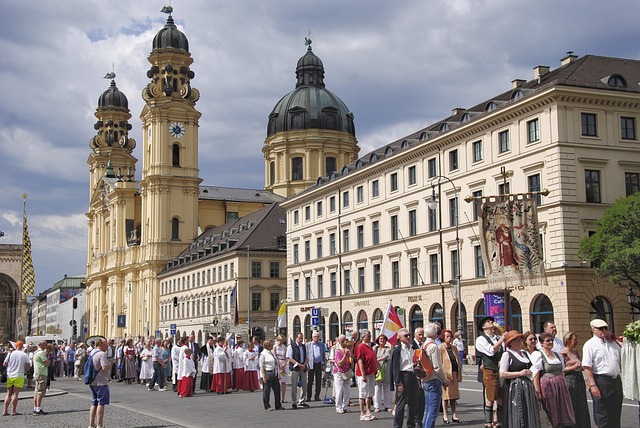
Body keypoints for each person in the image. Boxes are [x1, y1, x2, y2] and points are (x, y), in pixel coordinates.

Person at [582, 318, 623, 428]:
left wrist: (614, 339)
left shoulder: (612, 343)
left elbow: (623, 351)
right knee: (602, 413)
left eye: (605, 328)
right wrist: (593, 385)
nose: (603, 331)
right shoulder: (590, 345)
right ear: (593, 330)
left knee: (615, 412)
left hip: (615, 379)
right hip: (601, 380)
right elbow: (587, 366)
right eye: (600, 328)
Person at [531, 332, 575, 428]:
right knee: (551, 409)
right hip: (548, 385)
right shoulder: (538, 355)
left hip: (560, 385)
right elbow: (536, 374)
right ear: (542, 343)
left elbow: (562, 371)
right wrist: (538, 391)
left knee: (562, 410)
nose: (550, 342)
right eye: (548, 340)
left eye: (552, 340)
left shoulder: (557, 355)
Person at [499, 330, 541, 428]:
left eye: (520, 339)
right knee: (517, 411)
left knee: (528, 410)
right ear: (510, 342)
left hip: (527, 386)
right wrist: (520, 373)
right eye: (516, 340)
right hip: (514, 387)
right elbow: (502, 373)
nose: (519, 341)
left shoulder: (524, 353)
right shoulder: (507, 354)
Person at [475, 316, 505, 428]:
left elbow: (503, 352)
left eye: (491, 321)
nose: (491, 322)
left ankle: (499, 419)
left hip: (500, 370)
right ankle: (488, 421)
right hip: (490, 371)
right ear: (484, 327)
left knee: (501, 397)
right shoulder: (481, 339)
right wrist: (502, 339)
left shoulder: (497, 338)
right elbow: (491, 351)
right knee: (490, 397)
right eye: (488, 322)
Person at [421, 322, 450, 428]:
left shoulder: (424, 345)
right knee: (433, 411)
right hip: (433, 379)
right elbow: (437, 367)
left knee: (427, 409)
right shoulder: (434, 347)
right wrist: (445, 380)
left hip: (425, 378)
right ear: (434, 334)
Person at [560, 331, 591, 428]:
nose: (576, 342)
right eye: (574, 340)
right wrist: (574, 367)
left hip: (579, 379)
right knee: (572, 403)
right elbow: (562, 369)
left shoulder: (575, 352)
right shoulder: (563, 353)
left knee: (581, 402)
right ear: (568, 340)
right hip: (570, 379)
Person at [393, 328, 418, 428]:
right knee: (401, 403)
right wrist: (398, 383)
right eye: (406, 336)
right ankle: (397, 425)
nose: (408, 337)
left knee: (413, 402)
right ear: (400, 338)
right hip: (404, 375)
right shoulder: (398, 349)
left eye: (409, 335)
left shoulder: (413, 347)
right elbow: (395, 367)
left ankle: (410, 424)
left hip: (413, 375)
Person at [88, 338, 114, 428]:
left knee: (94, 403)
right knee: (101, 404)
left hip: (92, 381)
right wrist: (110, 364)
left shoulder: (92, 352)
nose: (107, 346)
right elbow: (104, 368)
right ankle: (100, 425)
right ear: (100, 345)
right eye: (105, 344)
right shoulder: (102, 354)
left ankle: (91, 424)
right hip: (101, 382)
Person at [439, 330, 463, 423]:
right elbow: (440, 363)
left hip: (454, 373)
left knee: (454, 396)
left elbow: (457, 361)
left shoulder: (454, 348)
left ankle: (454, 414)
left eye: (450, 336)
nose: (449, 338)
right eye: (447, 337)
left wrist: (459, 374)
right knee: (446, 396)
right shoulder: (440, 348)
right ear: (443, 338)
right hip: (446, 375)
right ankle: (445, 415)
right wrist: (442, 376)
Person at [355, 329, 378, 421]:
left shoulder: (370, 346)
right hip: (363, 374)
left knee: (370, 393)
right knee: (363, 393)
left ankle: (368, 412)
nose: (370, 336)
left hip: (371, 373)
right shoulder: (361, 347)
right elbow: (360, 361)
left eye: (370, 335)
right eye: (368, 335)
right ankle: (362, 413)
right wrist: (363, 374)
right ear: (363, 337)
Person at [2, 341, 30, 416]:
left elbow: (4, 364)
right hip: (19, 375)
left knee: (8, 394)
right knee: (15, 394)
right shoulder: (24, 355)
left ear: (16, 346)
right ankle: (13, 411)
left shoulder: (10, 354)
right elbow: (28, 366)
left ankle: (5, 411)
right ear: (22, 347)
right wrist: (23, 367)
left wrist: (10, 366)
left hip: (10, 375)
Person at [286, 332, 309, 409]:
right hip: (295, 368)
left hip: (303, 367)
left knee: (304, 385)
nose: (301, 340)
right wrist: (299, 364)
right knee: (294, 385)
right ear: (296, 338)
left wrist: (304, 364)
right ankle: (294, 401)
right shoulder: (291, 346)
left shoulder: (303, 346)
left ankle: (302, 401)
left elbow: (307, 357)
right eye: (300, 338)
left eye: (302, 338)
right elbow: (289, 358)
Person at [260, 339, 283, 411]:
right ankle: (267, 406)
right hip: (268, 372)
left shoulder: (271, 353)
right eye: (271, 345)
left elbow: (276, 364)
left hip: (274, 372)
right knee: (266, 390)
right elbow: (261, 366)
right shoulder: (263, 354)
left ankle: (278, 405)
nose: (273, 346)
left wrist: (278, 374)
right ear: (268, 346)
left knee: (277, 390)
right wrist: (264, 376)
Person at [373, 334, 392, 413]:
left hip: (386, 369)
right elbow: (372, 357)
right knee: (377, 388)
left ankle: (387, 406)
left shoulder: (388, 349)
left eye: (384, 339)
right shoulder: (375, 348)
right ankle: (377, 406)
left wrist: (377, 359)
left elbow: (387, 357)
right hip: (377, 369)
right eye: (380, 339)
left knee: (387, 387)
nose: (382, 340)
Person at [333, 339, 354, 414]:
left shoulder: (350, 354)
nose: (350, 349)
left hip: (346, 373)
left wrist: (352, 359)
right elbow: (339, 364)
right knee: (339, 390)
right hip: (338, 372)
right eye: (349, 347)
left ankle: (345, 406)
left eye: (351, 347)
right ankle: (338, 407)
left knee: (347, 390)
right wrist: (345, 355)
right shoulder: (338, 352)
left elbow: (352, 367)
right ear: (345, 347)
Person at [411, 327, 426, 427]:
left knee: (422, 399)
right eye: (419, 335)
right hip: (414, 375)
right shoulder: (412, 345)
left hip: (424, 374)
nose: (421, 337)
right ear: (415, 335)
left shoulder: (424, 345)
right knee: (416, 398)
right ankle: (416, 420)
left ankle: (420, 418)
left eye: (422, 334)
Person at [306, 331, 325, 402]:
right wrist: (307, 365)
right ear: (312, 337)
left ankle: (317, 396)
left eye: (317, 337)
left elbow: (323, 355)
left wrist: (324, 365)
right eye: (315, 337)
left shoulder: (321, 345)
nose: (316, 338)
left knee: (318, 381)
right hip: (311, 364)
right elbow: (307, 355)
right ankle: (309, 396)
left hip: (318, 364)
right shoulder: (308, 345)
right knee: (310, 381)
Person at [32, 341, 50, 415]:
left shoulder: (36, 352)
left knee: (36, 391)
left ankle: (36, 407)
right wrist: (48, 360)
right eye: (45, 344)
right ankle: (38, 409)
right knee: (40, 391)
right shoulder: (41, 353)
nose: (46, 345)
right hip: (41, 373)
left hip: (37, 373)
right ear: (41, 345)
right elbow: (46, 363)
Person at [273, 334, 291, 403]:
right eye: (280, 340)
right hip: (277, 364)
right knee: (277, 382)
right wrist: (279, 364)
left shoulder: (284, 347)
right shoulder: (275, 347)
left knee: (284, 382)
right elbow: (274, 356)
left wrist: (284, 364)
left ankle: (283, 398)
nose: (281, 342)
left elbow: (287, 357)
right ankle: (277, 398)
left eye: (282, 341)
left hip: (283, 363)